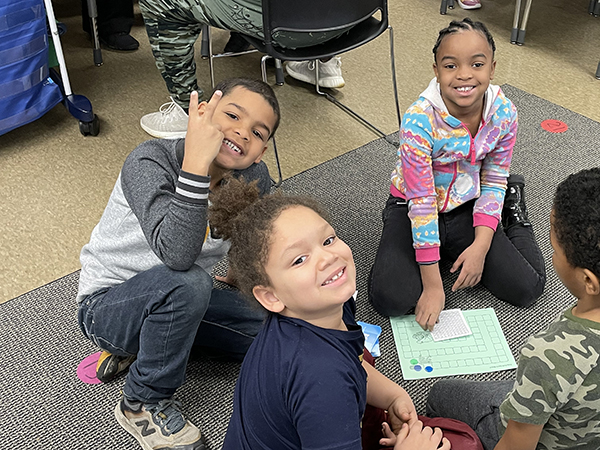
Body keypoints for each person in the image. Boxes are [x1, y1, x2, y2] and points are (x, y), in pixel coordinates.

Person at [76, 77, 281, 450]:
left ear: (262, 151)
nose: (241, 132)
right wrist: (197, 164)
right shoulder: (149, 160)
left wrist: (244, 279)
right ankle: (142, 401)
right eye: (231, 115)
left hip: (181, 298)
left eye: (257, 132)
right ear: (200, 114)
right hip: (108, 305)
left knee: (272, 327)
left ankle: (157, 344)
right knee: (189, 282)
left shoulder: (253, 176)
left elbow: (249, 235)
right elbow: (178, 255)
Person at [425, 167, 600, 450]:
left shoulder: (550, 353)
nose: (551, 254)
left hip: (540, 435)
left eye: (554, 249)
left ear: (588, 280)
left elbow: (517, 444)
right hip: (597, 433)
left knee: (440, 395)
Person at [206, 182, 460, 450]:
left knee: (365, 357)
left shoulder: (324, 308)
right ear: (271, 297)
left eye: (328, 240)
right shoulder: (323, 378)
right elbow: (333, 376)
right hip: (322, 400)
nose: (327, 257)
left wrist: (393, 395)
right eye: (299, 259)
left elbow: (353, 361)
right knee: (461, 442)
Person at [369, 18, 547, 331]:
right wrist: (433, 284)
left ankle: (513, 210)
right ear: (436, 70)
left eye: (476, 64)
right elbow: (421, 201)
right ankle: (440, 250)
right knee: (391, 299)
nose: (464, 74)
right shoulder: (418, 120)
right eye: (450, 66)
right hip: (413, 205)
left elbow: (493, 179)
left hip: (469, 201)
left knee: (526, 287)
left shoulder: (504, 113)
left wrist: (480, 246)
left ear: (492, 69)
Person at [137, 0, 347, 139]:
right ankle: (323, 62)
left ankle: (188, 110)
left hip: (284, 23)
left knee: (157, 2)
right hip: (348, 20)